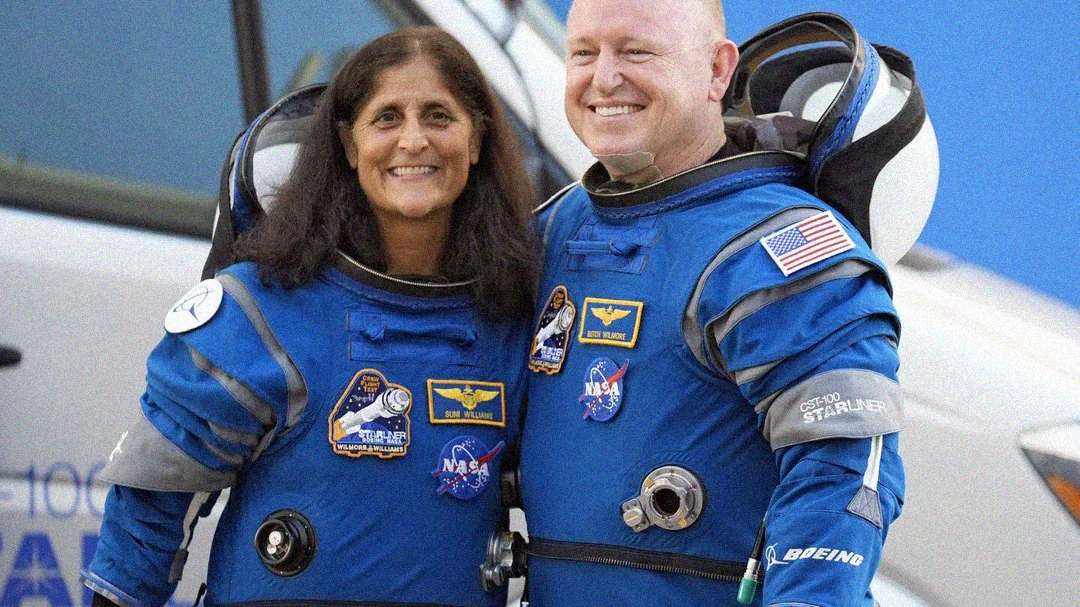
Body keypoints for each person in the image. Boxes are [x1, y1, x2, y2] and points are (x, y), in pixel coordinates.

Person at [82, 26, 537, 607]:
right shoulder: (261, 311)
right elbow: (150, 510)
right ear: (349, 145)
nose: (414, 140)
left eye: (439, 117)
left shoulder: (510, 318)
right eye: (387, 118)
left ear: (476, 140)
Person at [516, 1, 906, 606]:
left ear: (719, 70)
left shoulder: (779, 246)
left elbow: (844, 473)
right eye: (584, 53)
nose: (604, 76)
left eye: (636, 51)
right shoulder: (562, 225)